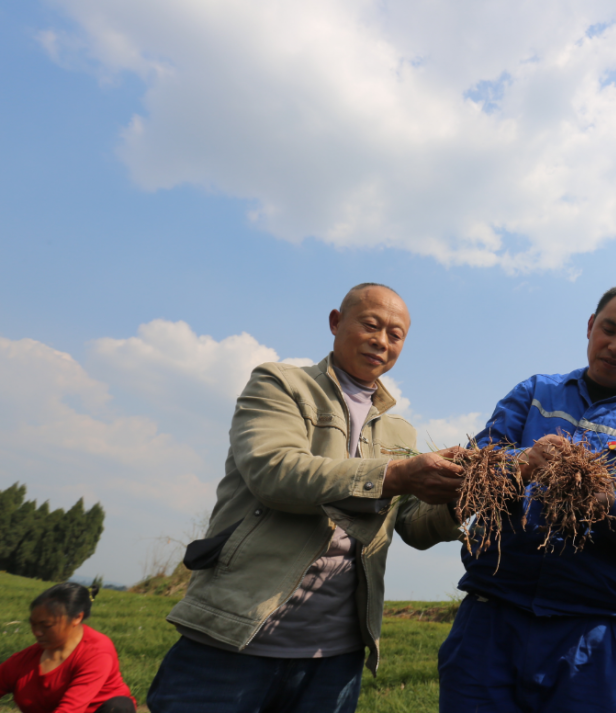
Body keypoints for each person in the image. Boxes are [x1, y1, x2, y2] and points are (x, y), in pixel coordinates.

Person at [147, 283, 466, 713]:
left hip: (333, 656)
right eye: (371, 325)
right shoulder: (280, 384)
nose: (382, 341)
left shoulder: (399, 432)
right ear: (336, 322)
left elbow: (412, 525)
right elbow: (274, 472)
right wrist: (396, 474)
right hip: (235, 638)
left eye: (395, 335)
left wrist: (457, 498)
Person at [438, 284, 616, 713]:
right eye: (608, 329)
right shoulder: (534, 393)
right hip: (491, 619)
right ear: (589, 327)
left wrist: (605, 502)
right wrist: (525, 461)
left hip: (597, 632)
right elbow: (476, 469)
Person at [0, 582, 136, 713]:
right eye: (33, 624)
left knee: (120, 707)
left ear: (77, 618)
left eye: (46, 625)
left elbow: (70, 710)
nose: (37, 632)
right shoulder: (24, 660)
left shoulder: (97, 652)